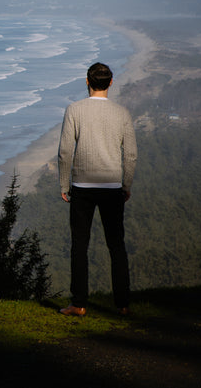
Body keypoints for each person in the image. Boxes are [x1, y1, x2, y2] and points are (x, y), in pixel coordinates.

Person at [57, 62, 137, 317]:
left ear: (87, 81)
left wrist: (63, 184)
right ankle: (122, 304)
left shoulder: (74, 109)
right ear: (111, 83)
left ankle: (78, 303)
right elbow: (131, 154)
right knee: (116, 246)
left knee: (80, 245)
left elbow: (65, 151)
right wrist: (126, 184)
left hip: (82, 186)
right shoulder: (121, 112)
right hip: (113, 186)